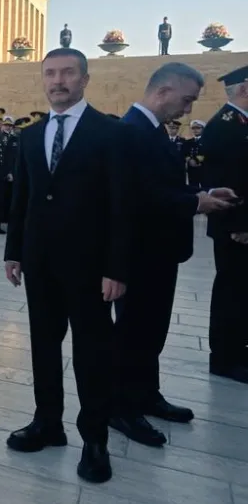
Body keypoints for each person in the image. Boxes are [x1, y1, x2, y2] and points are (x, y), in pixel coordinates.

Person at [3, 47, 129, 484]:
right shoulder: (31, 135)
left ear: (84, 79)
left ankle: (94, 438)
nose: (58, 81)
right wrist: (13, 250)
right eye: (51, 73)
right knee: (42, 346)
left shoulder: (109, 134)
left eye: (68, 73)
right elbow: (24, 198)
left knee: (92, 353)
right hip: (40, 261)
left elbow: (120, 207)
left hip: (92, 268)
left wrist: (116, 268)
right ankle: (47, 422)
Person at [113, 63, 235, 447]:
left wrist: (206, 192)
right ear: (164, 91)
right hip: (139, 254)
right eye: (187, 100)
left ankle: (147, 395)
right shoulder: (130, 132)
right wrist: (196, 202)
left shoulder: (151, 130)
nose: (188, 109)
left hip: (160, 252)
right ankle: (122, 407)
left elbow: (163, 185)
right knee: (134, 333)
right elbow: (139, 197)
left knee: (152, 332)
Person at [199, 65, 248, 384]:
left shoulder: (239, 123)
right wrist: (240, 224)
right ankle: (225, 357)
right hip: (235, 227)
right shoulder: (225, 125)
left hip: (241, 224)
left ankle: (238, 351)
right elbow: (227, 180)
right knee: (232, 290)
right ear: (244, 89)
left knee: (242, 290)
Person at [184, 120, 205, 190]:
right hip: (192, 169)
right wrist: (189, 160)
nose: (195, 130)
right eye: (193, 128)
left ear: (203, 128)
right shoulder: (188, 142)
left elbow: (206, 152)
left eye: (198, 128)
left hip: (203, 168)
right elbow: (185, 153)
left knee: (206, 187)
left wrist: (196, 160)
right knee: (193, 188)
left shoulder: (206, 140)